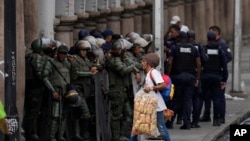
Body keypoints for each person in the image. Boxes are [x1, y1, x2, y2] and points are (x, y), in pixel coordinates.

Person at [129, 53, 171, 141]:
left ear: (149, 63)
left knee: (161, 127)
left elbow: (163, 85)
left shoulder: (154, 72)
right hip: (147, 105)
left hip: (156, 106)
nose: (142, 63)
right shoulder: (147, 73)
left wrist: (151, 88)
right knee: (137, 125)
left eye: (144, 61)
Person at [105, 40, 140, 141]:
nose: (125, 54)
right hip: (117, 91)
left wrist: (135, 68)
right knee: (117, 116)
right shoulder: (115, 60)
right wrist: (133, 68)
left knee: (128, 114)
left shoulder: (121, 59)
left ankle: (124, 136)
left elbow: (132, 64)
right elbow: (123, 71)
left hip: (123, 91)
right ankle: (116, 137)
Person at [166, 31, 201, 129]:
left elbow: (170, 63)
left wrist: (168, 76)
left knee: (175, 99)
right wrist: (197, 78)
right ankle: (187, 123)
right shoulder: (193, 49)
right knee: (187, 100)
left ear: (178, 38)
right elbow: (198, 64)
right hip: (190, 77)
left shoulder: (174, 48)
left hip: (177, 77)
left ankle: (170, 121)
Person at [70, 40, 98, 141]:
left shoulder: (86, 60)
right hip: (78, 89)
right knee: (85, 113)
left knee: (79, 113)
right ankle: (82, 132)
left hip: (87, 89)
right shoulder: (75, 59)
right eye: (82, 50)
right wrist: (90, 74)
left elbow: (92, 66)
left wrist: (98, 66)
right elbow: (75, 73)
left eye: (85, 50)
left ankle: (77, 134)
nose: (84, 52)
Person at [42, 45, 71, 141]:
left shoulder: (67, 64)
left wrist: (73, 64)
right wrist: (52, 90)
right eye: (61, 53)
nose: (62, 55)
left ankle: (60, 135)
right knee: (55, 115)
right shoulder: (50, 62)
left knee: (64, 115)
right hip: (56, 91)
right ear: (57, 53)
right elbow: (45, 77)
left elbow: (73, 76)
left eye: (64, 53)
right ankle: (52, 136)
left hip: (66, 92)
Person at [200, 32, 228, 126]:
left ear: (207, 38)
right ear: (215, 38)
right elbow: (224, 66)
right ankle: (216, 120)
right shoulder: (220, 50)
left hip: (205, 77)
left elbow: (200, 63)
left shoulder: (204, 49)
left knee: (201, 97)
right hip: (216, 77)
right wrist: (224, 79)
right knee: (216, 99)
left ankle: (195, 120)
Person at [23, 38, 45, 141]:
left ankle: (30, 131)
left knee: (29, 111)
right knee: (34, 112)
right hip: (35, 88)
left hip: (29, 87)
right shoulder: (36, 57)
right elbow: (39, 73)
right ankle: (32, 133)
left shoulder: (28, 57)